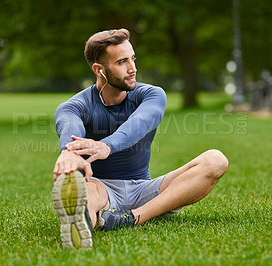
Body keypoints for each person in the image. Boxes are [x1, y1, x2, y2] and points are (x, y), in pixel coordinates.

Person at [51, 28, 228, 249]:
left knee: (216, 160)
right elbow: (69, 126)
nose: (132, 68)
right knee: (83, 194)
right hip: (101, 188)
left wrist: (106, 145)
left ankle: (133, 217)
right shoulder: (75, 106)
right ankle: (80, 223)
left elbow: (140, 123)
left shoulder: (152, 95)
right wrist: (68, 152)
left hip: (144, 188)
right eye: (122, 62)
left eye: (132, 59)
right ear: (99, 69)